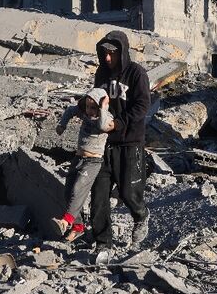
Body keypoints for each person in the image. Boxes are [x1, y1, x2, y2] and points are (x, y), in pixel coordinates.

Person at [89, 30, 151, 250]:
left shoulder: (137, 73)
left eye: (111, 54)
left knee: (128, 193)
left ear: (122, 52)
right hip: (103, 143)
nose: (107, 58)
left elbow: (142, 105)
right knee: (99, 197)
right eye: (104, 53)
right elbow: (95, 100)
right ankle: (103, 243)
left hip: (129, 142)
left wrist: (119, 123)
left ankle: (141, 215)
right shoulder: (101, 73)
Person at [52, 88, 115, 242]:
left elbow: (102, 126)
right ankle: (78, 227)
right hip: (78, 158)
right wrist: (62, 125)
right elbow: (70, 111)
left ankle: (65, 221)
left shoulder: (106, 117)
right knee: (68, 192)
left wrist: (104, 107)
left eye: (93, 108)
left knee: (78, 188)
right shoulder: (84, 113)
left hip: (93, 162)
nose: (89, 111)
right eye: (87, 107)